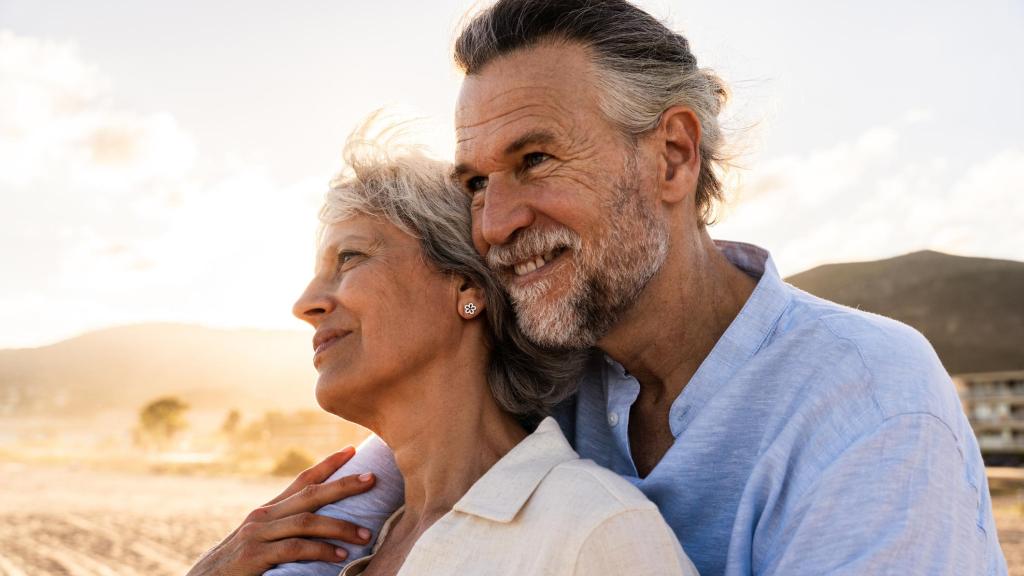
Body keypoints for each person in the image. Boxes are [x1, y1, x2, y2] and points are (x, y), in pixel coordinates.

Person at [286, 1, 1008, 574]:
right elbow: (383, 500)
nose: (495, 223)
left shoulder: (867, 403)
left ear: (673, 157)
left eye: (535, 159)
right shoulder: (548, 373)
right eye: (475, 183)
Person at [187, 121, 698, 575]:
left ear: (467, 289)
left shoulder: (592, 533)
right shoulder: (357, 543)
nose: (306, 304)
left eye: (349, 258)